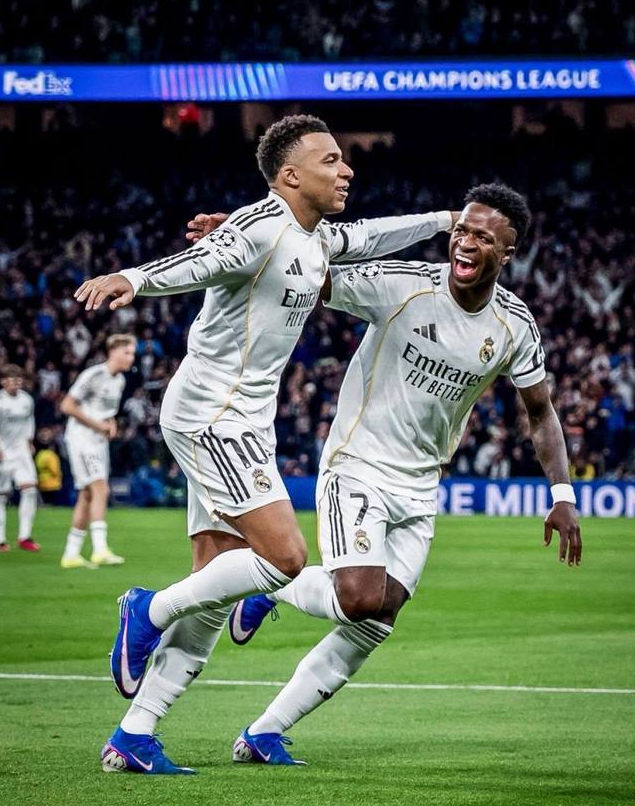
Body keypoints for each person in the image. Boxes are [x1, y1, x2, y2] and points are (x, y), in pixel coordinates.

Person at [74, 114, 458, 775]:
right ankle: (146, 608)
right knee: (284, 557)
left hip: (245, 422)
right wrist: (133, 278)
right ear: (290, 175)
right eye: (330, 160)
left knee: (214, 585)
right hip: (213, 417)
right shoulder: (260, 226)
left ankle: (133, 735)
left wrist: (447, 219)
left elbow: (373, 235)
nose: (346, 169)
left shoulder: (313, 237)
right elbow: (200, 261)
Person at [226, 184, 582, 766]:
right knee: (359, 596)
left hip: (421, 484)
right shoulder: (403, 284)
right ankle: (272, 585)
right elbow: (313, 276)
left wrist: (562, 494)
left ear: (507, 252)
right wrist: (250, 240)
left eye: (482, 237)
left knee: (381, 614)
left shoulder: (514, 325)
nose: (465, 243)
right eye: (461, 231)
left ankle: (264, 732)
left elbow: (540, 412)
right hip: (359, 463)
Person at [59, 334, 136, 568]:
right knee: (100, 488)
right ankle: (100, 549)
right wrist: (97, 425)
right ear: (112, 351)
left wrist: (110, 424)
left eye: (132, 353)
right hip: (82, 438)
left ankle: (71, 554)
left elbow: (104, 412)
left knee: (87, 494)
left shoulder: (119, 381)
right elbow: (67, 405)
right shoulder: (93, 375)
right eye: (127, 352)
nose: (131, 358)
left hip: (98, 441)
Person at [0, 365, 39, 552]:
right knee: (0, 497)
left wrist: (29, 441)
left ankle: (25, 537)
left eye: (19, 379)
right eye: (13, 379)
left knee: (30, 490)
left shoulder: (26, 399)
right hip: (3, 452)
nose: (16, 383)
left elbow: (30, 421)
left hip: (21, 452)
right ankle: (0, 539)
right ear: (3, 381)